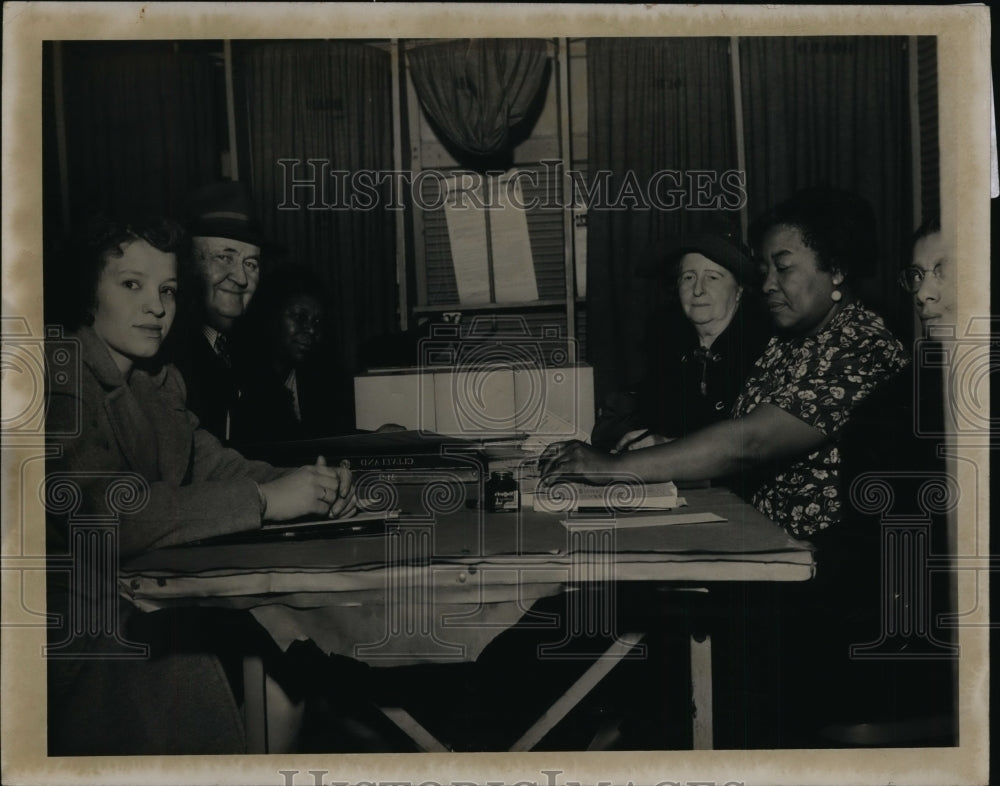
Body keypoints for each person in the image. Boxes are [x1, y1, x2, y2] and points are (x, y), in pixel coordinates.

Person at [540, 187, 911, 745]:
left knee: (626, 620)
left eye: (781, 268)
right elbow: (730, 438)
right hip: (754, 552)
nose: (766, 284)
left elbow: (749, 443)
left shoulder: (858, 344)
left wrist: (615, 468)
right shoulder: (791, 344)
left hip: (812, 577)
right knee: (591, 597)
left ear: (835, 271)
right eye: (763, 269)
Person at [45, 216, 357, 755]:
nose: (156, 307)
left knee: (290, 634)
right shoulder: (58, 379)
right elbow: (107, 516)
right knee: (185, 654)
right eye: (131, 284)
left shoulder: (155, 384)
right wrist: (265, 500)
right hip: (70, 631)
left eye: (166, 290)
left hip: (142, 600)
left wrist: (309, 486)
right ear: (87, 292)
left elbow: (217, 465)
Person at [595, 217, 770, 452]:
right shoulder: (669, 349)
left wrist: (668, 446)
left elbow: (751, 445)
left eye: (712, 277)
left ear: (738, 290)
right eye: (688, 277)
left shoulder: (765, 351)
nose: (698, 290)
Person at [169, 181, 266, 442]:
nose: (241, 278)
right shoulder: (163, 354)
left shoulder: (250, 352)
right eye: (225, 258)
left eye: (251, 263)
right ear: (188, 265)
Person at [231, 265, 356, 445]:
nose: (311, 329)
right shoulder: (242, 380)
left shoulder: (321, 380)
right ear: (271, 317)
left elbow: (334, 439)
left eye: (317, 321)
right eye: (299, 317)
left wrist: (376, 436)